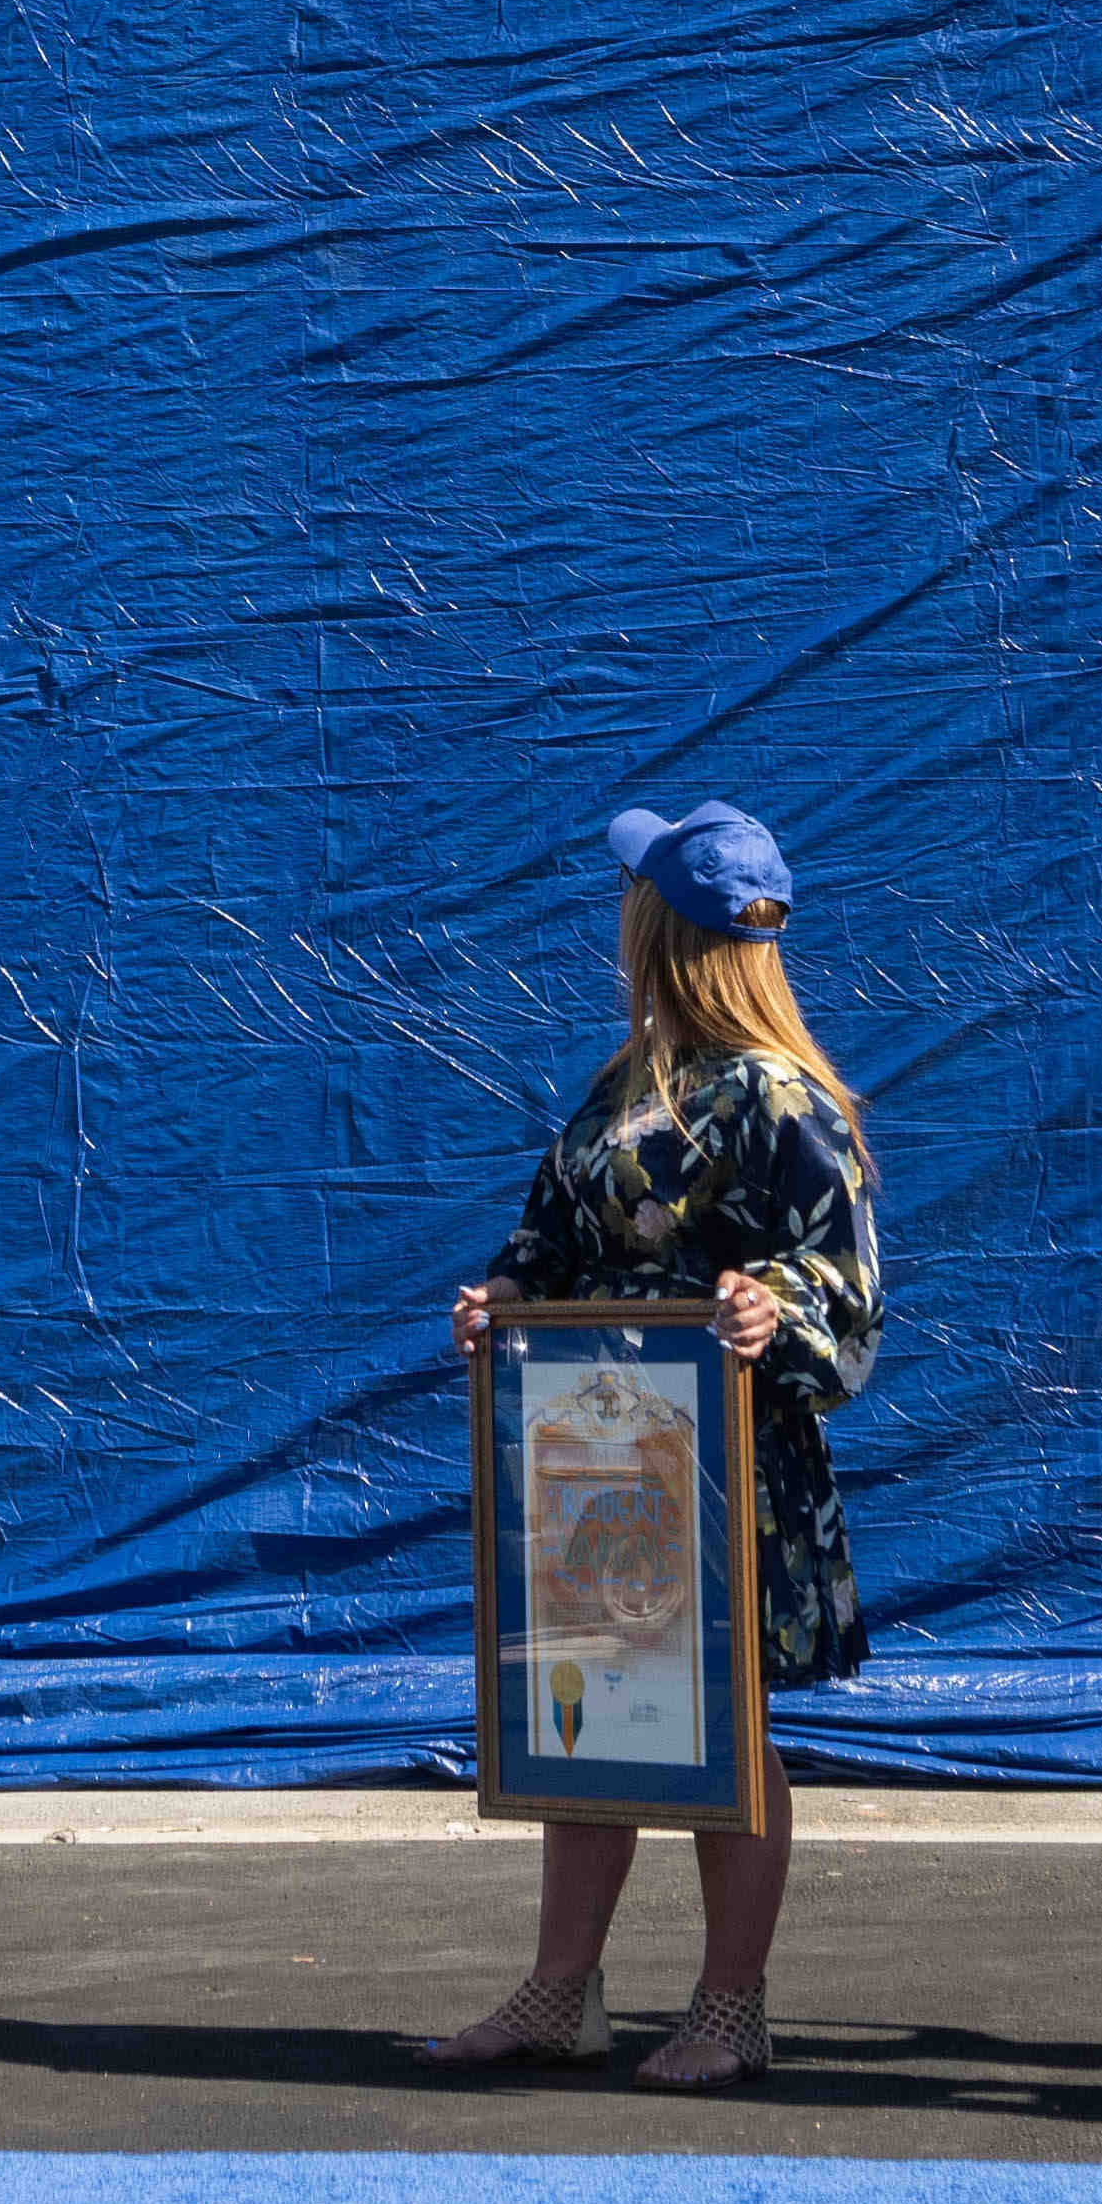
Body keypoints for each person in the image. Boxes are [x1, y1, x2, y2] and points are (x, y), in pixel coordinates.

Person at [417, 797, 887, 2099]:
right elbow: (549, 1228)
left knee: (721, 1739)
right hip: (593, 1447)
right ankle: (562, 1994)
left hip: (724, 1459)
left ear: (662, 929)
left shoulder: (784, 1100)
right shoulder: (627, 1083)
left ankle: (731, 2009)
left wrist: (765, 1309)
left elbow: (845, 1294)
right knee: (592, 1723)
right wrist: (507, 1295)